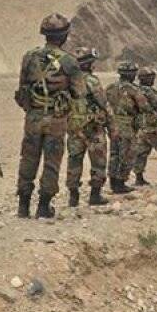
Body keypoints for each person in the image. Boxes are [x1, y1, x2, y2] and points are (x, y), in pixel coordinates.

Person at [14, 13, 87, 218]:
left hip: (33, 117)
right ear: (64, 36)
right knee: (52, 162)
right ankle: (44, 207)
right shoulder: (70, 62)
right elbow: (79, 94)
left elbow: (22, 90)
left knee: (28, 159)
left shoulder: (29, 57)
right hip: (56, 119)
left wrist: (32, 109)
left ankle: (23, 206)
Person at [65, 47, 111, 207]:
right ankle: (95, 195)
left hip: (74, 128)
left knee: (74, 161)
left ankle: (73, 197)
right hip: (93, 128)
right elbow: (103, 103)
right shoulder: (92, 81)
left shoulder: (66, 81)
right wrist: (111, 126)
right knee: (98, 161)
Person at [105, 61, 140, 194]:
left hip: (112, 124)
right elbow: (144, 106)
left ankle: (113, 181)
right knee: (127, 153)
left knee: (114, 153)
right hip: (127, 125)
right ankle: (120, 183)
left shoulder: (110, 87)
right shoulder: (133, 89)